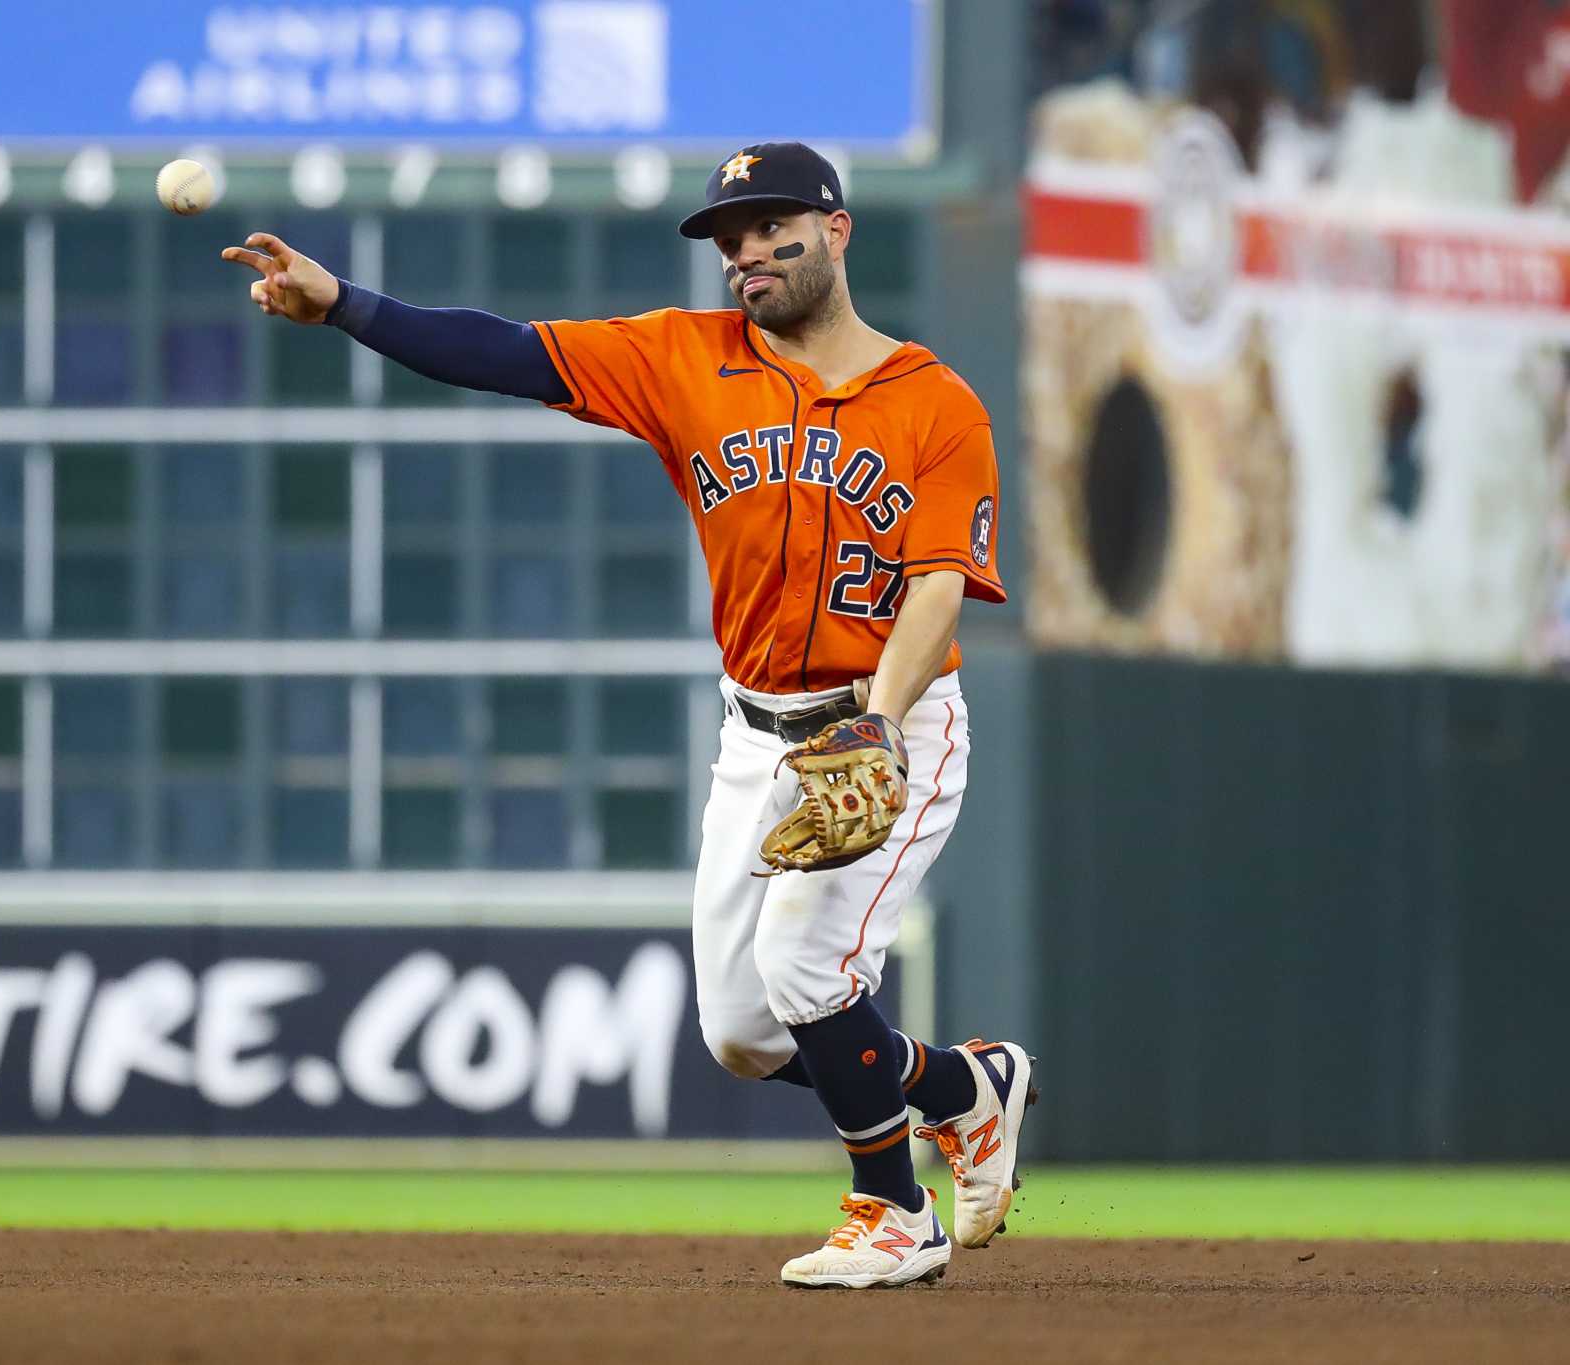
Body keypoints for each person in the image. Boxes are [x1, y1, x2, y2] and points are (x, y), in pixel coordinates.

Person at [222, 141, 1034, 1289]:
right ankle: (962, 1089)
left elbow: (939, 584)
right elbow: (499, 351)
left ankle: (891, 1212)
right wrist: (346, 304)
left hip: (887, 722)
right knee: (744, 1036)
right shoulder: (680, 360)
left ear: (836, 230)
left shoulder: (935, 403)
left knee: (808, 974)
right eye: (729, 237)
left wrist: (879, 726)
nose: (747, 252)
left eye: (770, 226)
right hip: (757, 732)